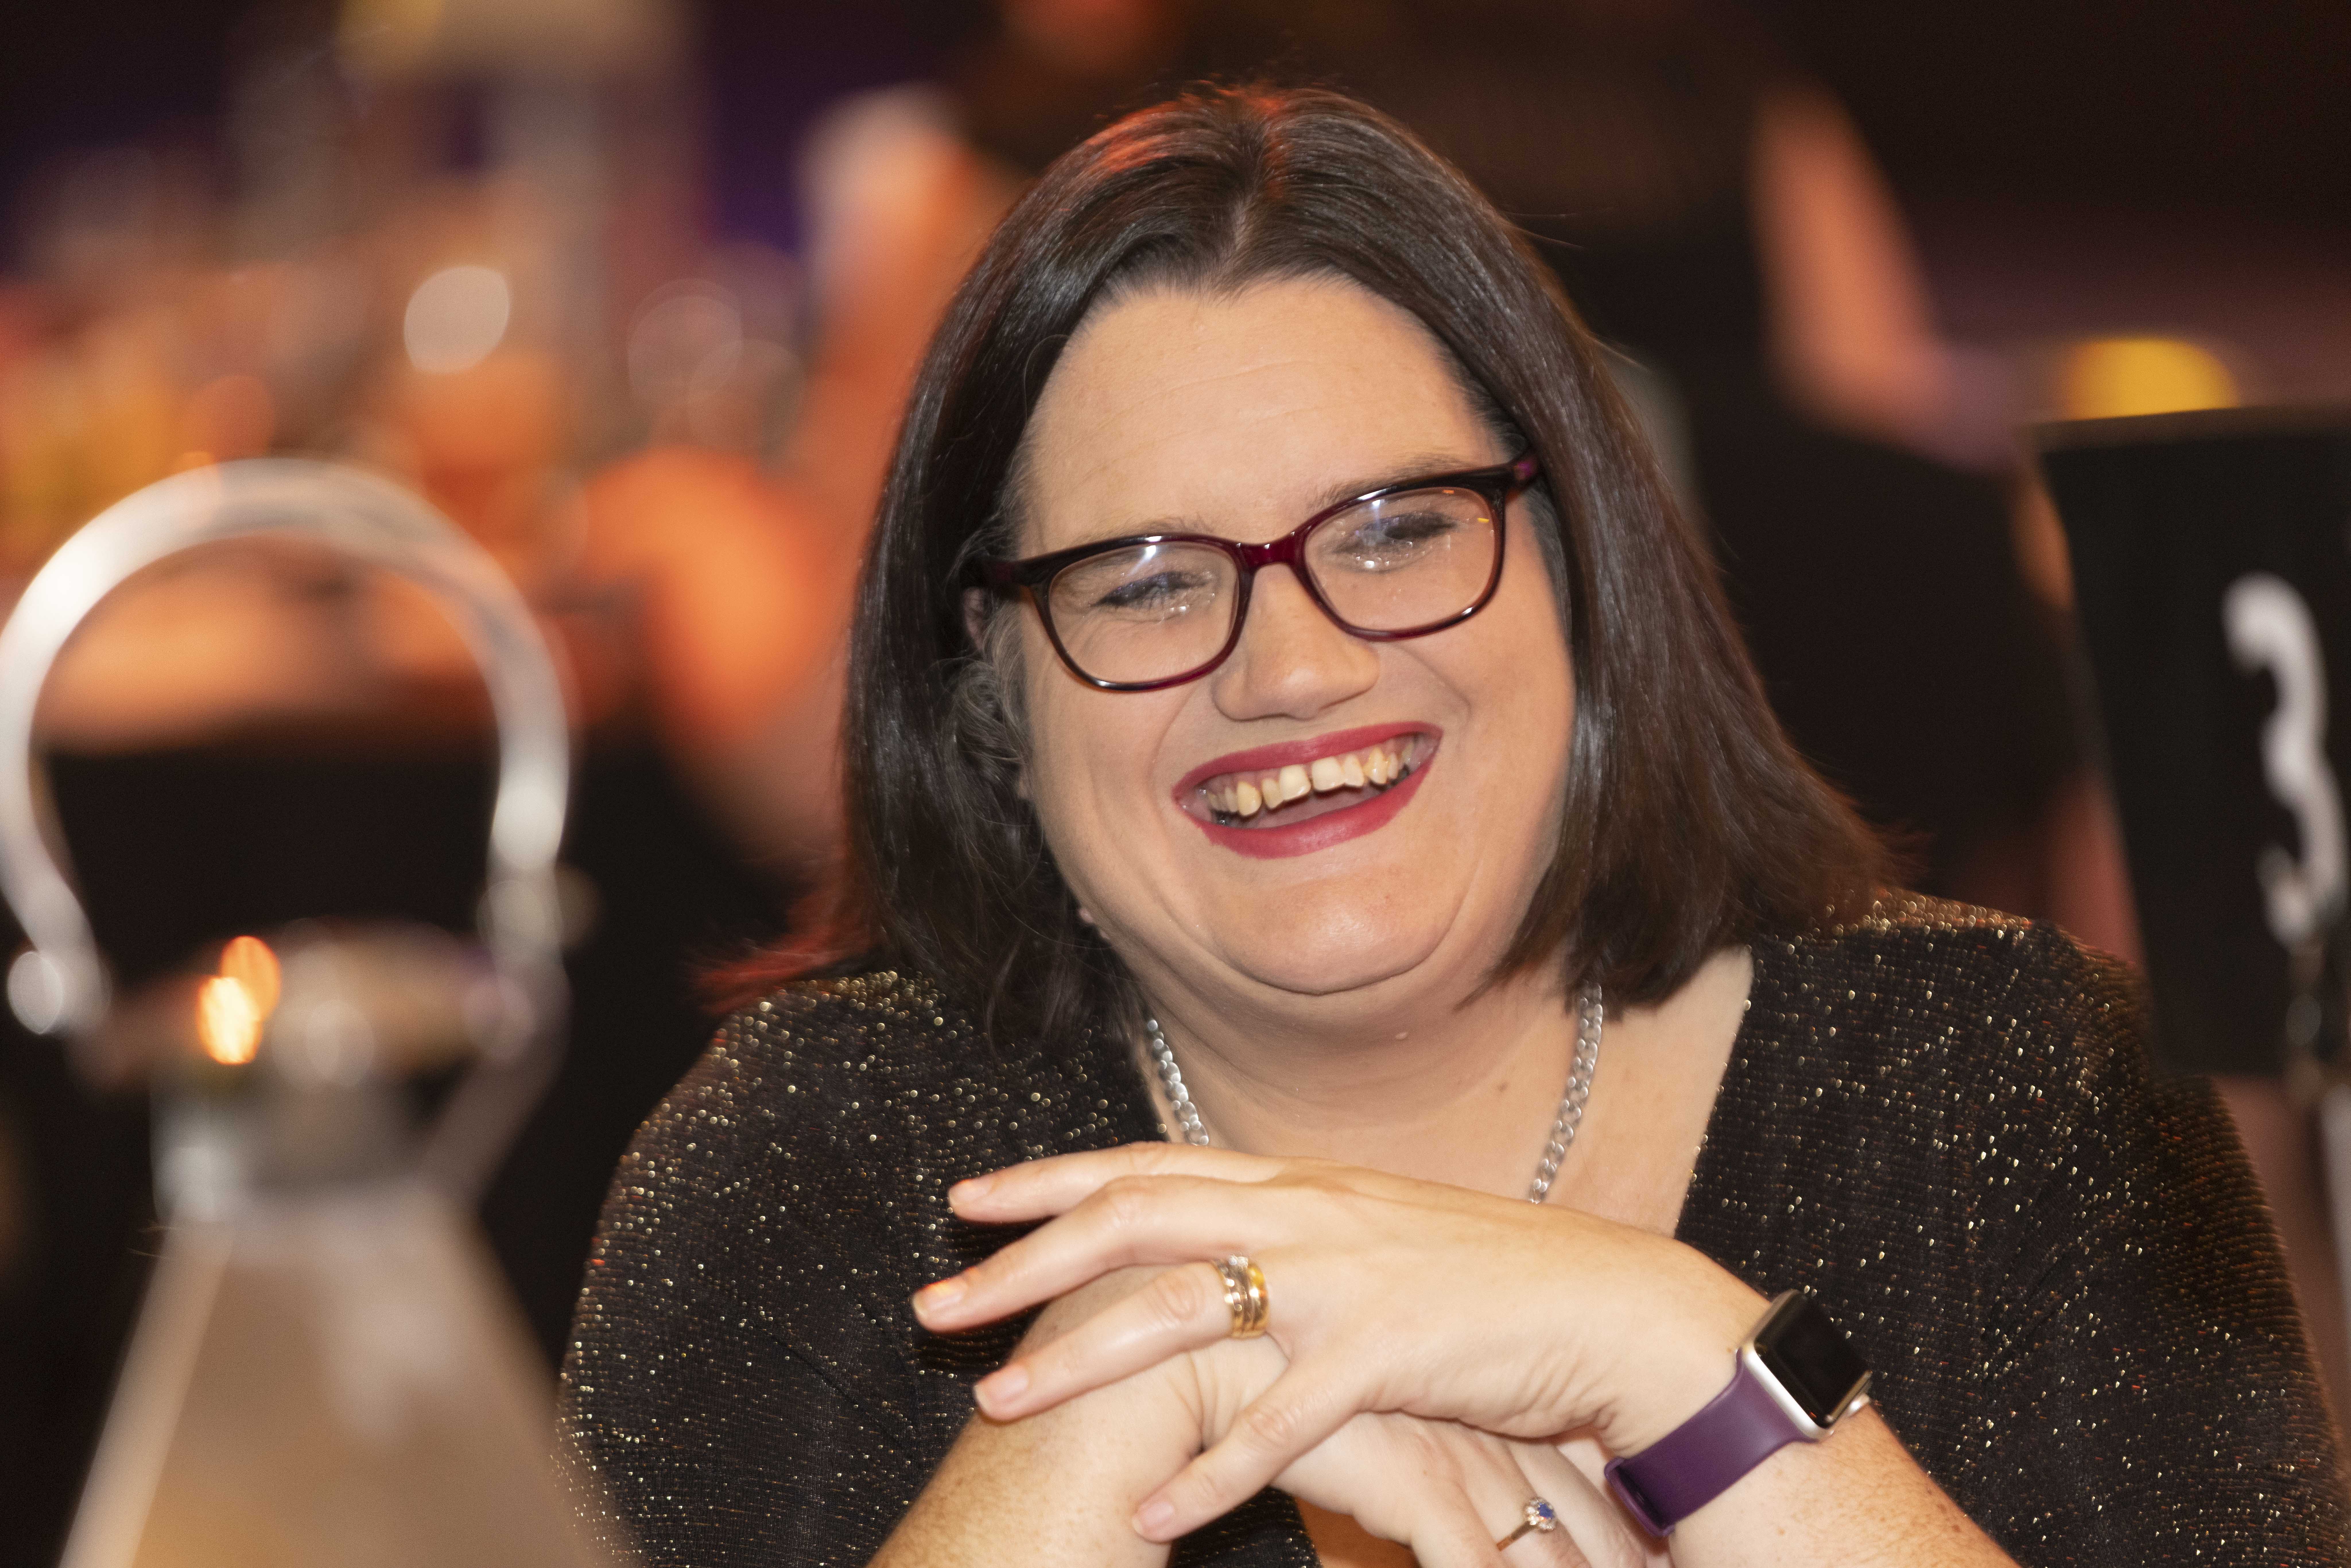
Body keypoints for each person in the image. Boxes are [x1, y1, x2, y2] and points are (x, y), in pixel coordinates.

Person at [557, 88, 2346, 1566]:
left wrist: (1685, 1365)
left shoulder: (2019, 1093)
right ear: (992, 689)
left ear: (1577, 570)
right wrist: (1082, 1439)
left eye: (1397, 531)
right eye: (1151, 580)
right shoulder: (805, 1171)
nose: (1291, 666)